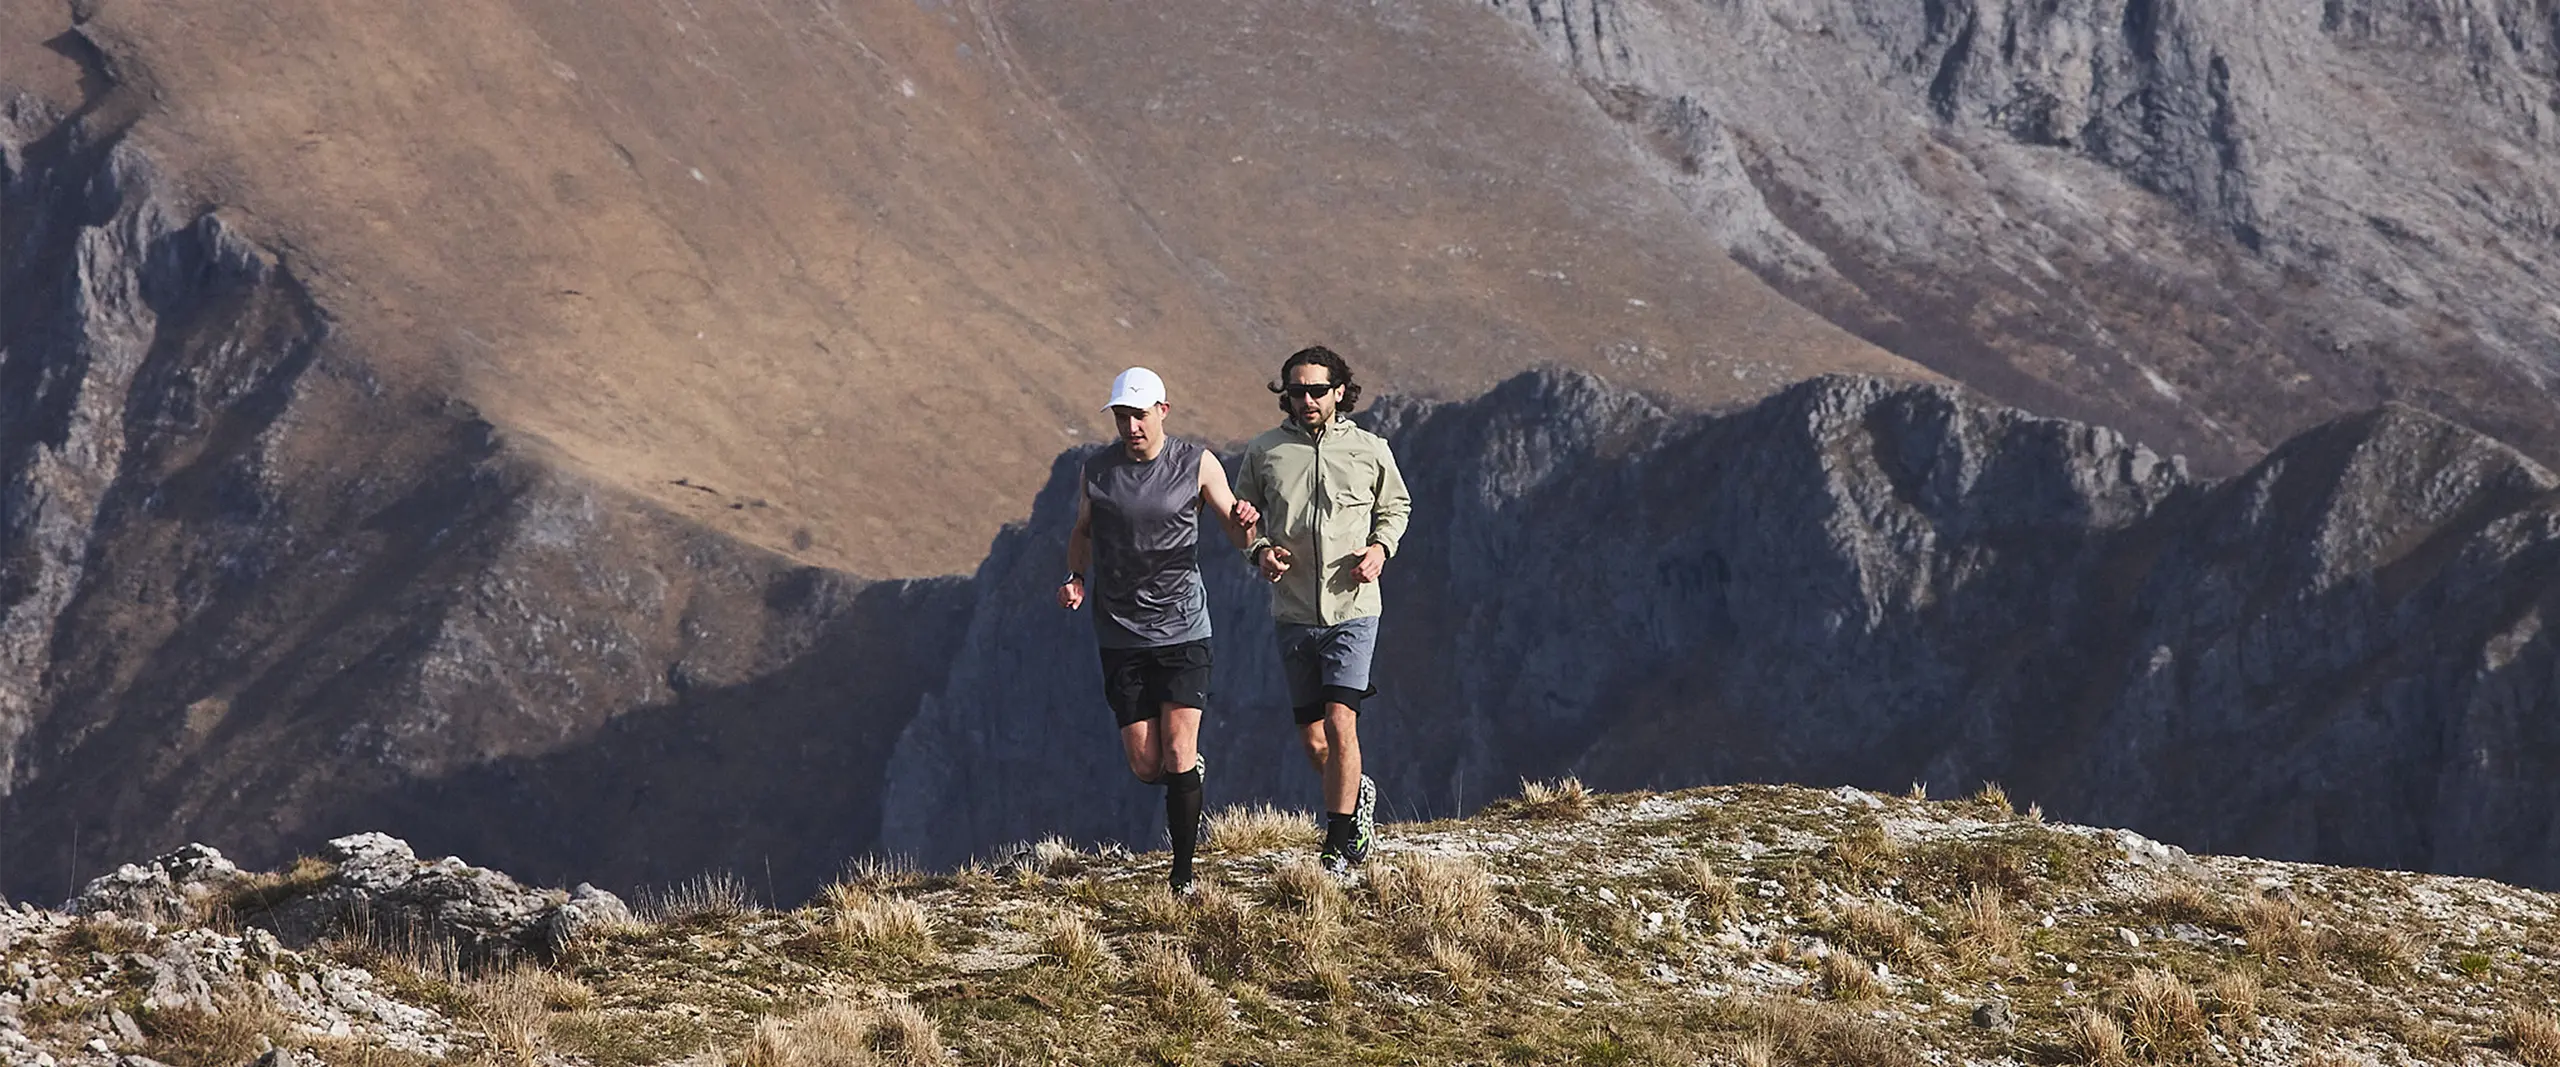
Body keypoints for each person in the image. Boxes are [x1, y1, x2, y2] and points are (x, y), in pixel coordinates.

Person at [1059, 367, 1254, 894]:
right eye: (1122, 417)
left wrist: (1248, 526)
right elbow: (1082, 532)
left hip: (1184, 628)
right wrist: (1075, 577)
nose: (1131, 427)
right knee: (1147, 764)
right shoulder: (1097, 471)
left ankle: (1182, 876)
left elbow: (1235, 530)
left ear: (1163, 412)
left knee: (1178, 749)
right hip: (1120, 633)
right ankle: (1185, 776)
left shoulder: (1196, 463)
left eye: (1140, 416)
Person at [1231, 345, 1412, 875]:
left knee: (1339, 722)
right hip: (1292, 613)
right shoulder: (1265, 451)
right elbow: (1243, 517)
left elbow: (1396, 506)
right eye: (1296, 391)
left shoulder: (1370, 449)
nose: (1306, 399)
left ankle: (1337, 843)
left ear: (1339, 392)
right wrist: (1259, 551)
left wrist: (1380, 548)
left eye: (1316, 390)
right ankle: (1357, 793)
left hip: (1353, 610)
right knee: (1314, 741)